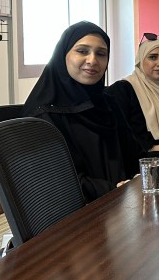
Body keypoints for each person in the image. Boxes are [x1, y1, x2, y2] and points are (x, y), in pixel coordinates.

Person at [22, 21, 140, 202]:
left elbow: (134, 155)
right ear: (63, 55)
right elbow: (56, 185)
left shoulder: (108, 104)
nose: (92, 60)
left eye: (101, 53)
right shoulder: (43, 117)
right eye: (82, 51)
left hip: (124, 201)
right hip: (82, 212)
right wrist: (114, 190)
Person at [106, 35, 159, 157]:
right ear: (140, 60)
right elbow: (118, 136)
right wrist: (152, 148)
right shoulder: (122, 90)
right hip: (140, 160)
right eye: (153, 57)